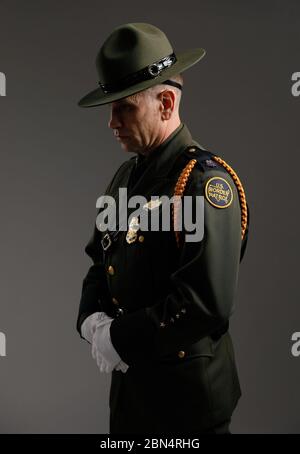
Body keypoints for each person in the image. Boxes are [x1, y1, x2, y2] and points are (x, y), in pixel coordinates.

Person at [76, 22, 249, 434]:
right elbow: (100, 261)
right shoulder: (125, 178)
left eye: (125, 108)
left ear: (167, 103)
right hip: (132, 398)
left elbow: (205, 302)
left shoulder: (205, 182)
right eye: (110, 108)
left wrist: (119, 337)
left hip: (186, 405)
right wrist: (90, 321)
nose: (111, 122)